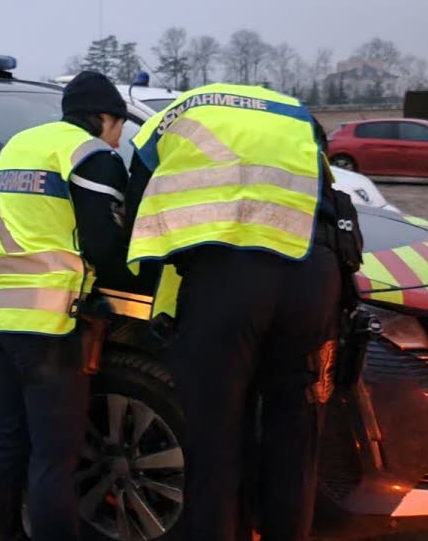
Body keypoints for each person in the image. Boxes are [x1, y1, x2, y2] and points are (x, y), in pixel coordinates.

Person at [125, 83, 343, 540]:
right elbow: (327, 193)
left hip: (228, 281)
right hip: (312, 273)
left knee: (216, 441)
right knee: (295, 437)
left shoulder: (167, 119)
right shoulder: (295, 113)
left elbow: (137, 213)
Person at [0, 70, 135, 541]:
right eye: (119, 125)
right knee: (53, 456)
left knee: (5, 438)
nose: (119, 136)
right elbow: (105, 243)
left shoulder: (18, 146)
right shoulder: (91, 155)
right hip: (51, 322)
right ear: (105, 117)